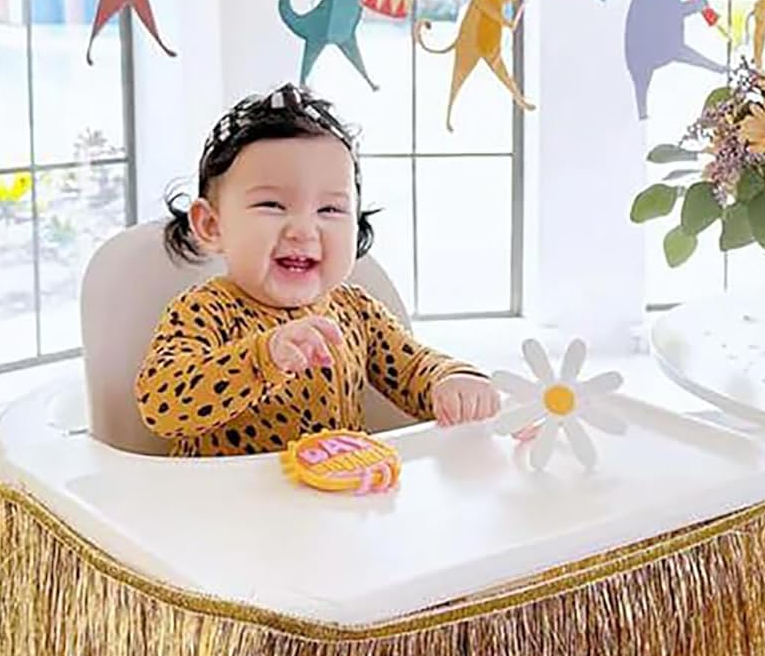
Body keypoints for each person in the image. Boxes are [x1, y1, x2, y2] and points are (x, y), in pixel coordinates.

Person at [137, 84, 499, 456]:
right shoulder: (206, 310)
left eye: (330, 209)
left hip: (338, 496)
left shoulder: (355, 310)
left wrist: (451, 379)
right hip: (230, 504)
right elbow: (162, 402)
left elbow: (411, 369)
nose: (303, 230)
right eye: (272, 204)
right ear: (212, 226)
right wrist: (262, 358)